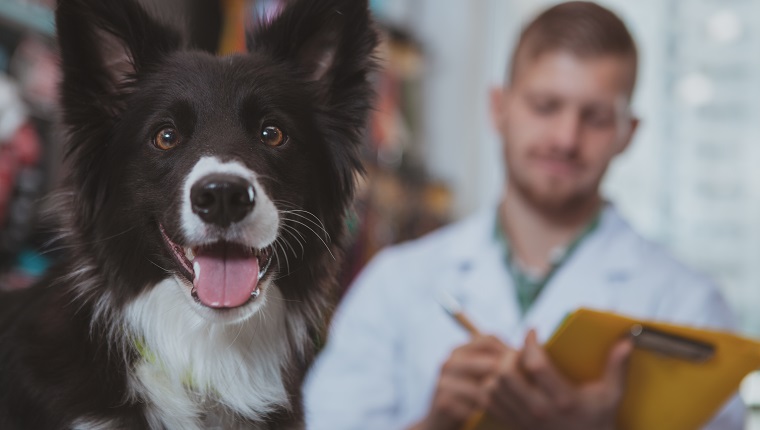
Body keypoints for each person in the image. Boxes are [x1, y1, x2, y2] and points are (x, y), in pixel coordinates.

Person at [303, 2, 745, 429]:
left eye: (595, 117)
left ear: (627, 134)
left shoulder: (690, 307)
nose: (566, 138)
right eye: (545, 106)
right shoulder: (394, 285)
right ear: (500, 108)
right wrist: (436, 424)